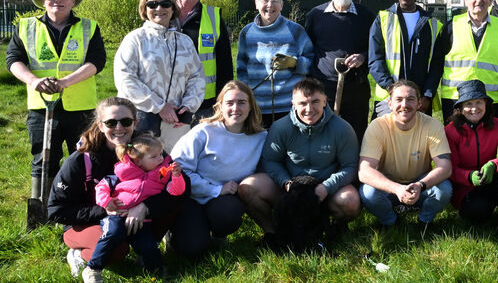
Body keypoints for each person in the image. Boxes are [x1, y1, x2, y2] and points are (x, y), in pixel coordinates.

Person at [48, 96, 178, 283]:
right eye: (111, 122)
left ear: (135, 123)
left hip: (133, 216)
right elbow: (55, 211)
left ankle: (148, 253)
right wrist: (105, 210)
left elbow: (181, 185)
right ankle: (80, 255)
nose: (119, 128)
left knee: (175, 202)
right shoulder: (80, 160)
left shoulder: (146, 148)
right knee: (117, 250)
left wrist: (145, 206)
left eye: (125, 122)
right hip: (86, 222)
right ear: (100, 125)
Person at [7, 0, 105, 217]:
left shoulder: (88, 27)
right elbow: (13, 59)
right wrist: (33, 81)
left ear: (73, 1)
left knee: (85, 156)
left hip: (80, 106)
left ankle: (83, 204)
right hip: (41, 106)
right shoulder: (25, 26)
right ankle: (43, 208)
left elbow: (97, 61)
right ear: (42, 1)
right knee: (43, 157)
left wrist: (64, 83)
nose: (57, 0)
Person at [170, 79, 273, 257]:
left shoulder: (261, 138)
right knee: (191, 249)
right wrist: (216, 189)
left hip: (223, 201)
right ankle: (175, 232)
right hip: (191, 197)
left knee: (229, 213)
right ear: (220, 107)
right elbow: (179, 171)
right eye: (230, 103)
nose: (236, 108)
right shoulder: (203, 132)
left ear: (250, 107)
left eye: (241, 102)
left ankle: (219, 235)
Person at [255, 78, 361, 244]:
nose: (309, 109)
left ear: (325, 101)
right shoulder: (280, 127)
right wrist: (286, 183)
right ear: (293, 104)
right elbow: (270, 161)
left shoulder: (342, 128)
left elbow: (351, 166)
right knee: (249, 188)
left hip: (326, 188)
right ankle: (273, 231)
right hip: (291, 187)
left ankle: (336, 227)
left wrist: (327, 187)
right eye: (302, 103)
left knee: (350, 201)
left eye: (315, 102)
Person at [82, 134, 186, 283]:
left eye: (161, 154)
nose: (160, 159)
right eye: (154, 156)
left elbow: (176, 192)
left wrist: (177, 177)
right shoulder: (121, 173)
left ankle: (157, 271)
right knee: (113, 233)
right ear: (138, 161)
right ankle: (93, 268)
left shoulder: (162, 175)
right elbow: (101, 187)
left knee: (148, 245)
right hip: (116, 215)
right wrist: (107, 202)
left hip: (141, 220)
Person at [114, 0, 205, 141]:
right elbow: (125, 78)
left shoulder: (185, 42)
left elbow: (196, 76)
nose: (159, 8)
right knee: (141, 164)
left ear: (172, 8)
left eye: (165, 4)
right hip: (141, 117)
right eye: (152, 4)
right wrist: (160, 106)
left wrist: (188, 106)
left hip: (176, 121)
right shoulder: (135, 39)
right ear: (144, 8)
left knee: (175, 163)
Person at [358, 80, 453, 230]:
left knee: (445, 190)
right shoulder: (377, 126)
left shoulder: (432, 125)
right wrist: (397, 189)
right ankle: (390, 221)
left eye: (410, 99)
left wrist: (420, 185)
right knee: (368, 192)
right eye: (399, 99)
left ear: (419, 104)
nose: (404, 105)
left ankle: (425, 222)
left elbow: (445, 167)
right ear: (389, 103)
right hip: (389, 187)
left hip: (420, 184)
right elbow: (364, 172)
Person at [444, 79, 498, 235]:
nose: (474, 108)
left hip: (491, 179)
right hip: (466, 188)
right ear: (460, 108)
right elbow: (450, 168)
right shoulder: (451, 131)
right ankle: (473, 210)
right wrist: (469, 176)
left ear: (486, 104)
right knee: (479, 212)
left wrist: (494, 164)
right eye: (468, 104)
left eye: (479, 102)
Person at [306, 0, 373, 140]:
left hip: (356, 88)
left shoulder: (367, 16)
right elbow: (307, 49)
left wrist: (363, 56)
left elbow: (376, 49)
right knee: (322, 135)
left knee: (355, 135)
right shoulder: (315, 16)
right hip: (323, 89)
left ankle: (352, 166)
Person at [368, 0, 443, 119]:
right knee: (386, 141)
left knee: (418, 141)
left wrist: (427, 95)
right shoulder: (382, 20)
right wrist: (391, 89)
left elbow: (436, 64)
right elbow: (375, 60)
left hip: (420, 101)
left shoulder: (433, 25)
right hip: (388, 99)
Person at [237, 0, 314, 127]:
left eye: (275, 1)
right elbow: (241, 69)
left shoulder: (295, 31)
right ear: (256, 3)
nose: (270, 5)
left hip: (289, 107)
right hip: (256, 108)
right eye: (265, 0)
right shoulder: (247, 33)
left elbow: (311, 61)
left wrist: (295, 63)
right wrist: (246, 99)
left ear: (282, 5)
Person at [168, 0, 233, 118]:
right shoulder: (160, 15)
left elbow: (225, 65)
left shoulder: (214, 17)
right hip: (168, 104)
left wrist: (223, 101)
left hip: (205, 104)